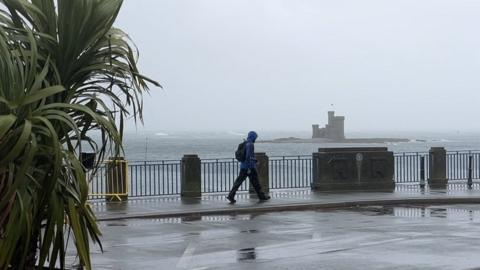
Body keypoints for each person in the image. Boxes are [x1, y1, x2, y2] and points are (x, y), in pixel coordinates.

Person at [227, 131, 271, 203]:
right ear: (253, 137)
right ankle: (262, 197)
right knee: (256, 183)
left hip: (243, 166)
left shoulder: (246, 143)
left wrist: (253, 161)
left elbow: (247, 156)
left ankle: (231, 196)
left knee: (238, 182)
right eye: (255, 137)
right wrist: (254, 162)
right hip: (249, 167)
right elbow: (248, 157)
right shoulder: (250, 144)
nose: (255, 139)